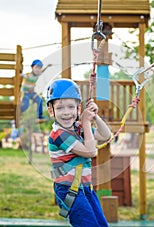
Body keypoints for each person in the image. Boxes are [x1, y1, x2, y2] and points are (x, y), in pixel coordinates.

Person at [46, 79, 111, 227]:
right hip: (70, 190)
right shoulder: (59, 134)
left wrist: (95, 116)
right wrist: (86, 123)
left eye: (71, 107)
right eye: (60, 108)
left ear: (78, 109)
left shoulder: (78, 128)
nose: (66, 112)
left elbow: (106, 135)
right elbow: (90, 151)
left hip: (86, 188)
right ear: (52, 111)